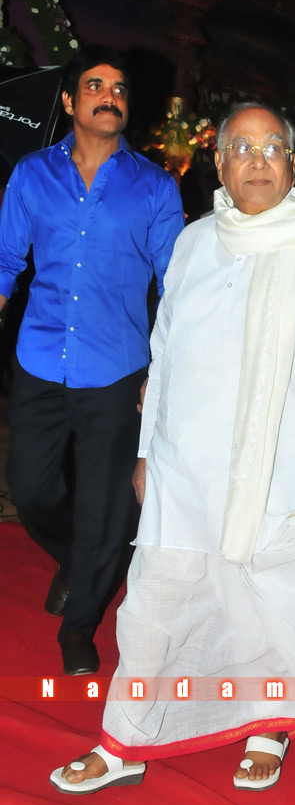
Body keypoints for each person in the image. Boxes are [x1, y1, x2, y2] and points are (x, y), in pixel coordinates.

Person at [50, 102, 295, 795]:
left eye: (272, 148)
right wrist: (147, 451)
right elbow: (164, 352)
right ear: (218, 163)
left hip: (288, 468)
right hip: (185, 465)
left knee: (273, 603)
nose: (257, 161)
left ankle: (269, 724)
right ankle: (124, 738)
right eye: (241, 148)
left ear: (292, 165)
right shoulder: (193, 244)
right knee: (154, 601)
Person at [0, 46, 185, 675]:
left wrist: (164, 370)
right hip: (39, 358)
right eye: (95, 85)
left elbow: (176, 288)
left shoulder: (156, 186)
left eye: (120, 88)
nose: (110, 96)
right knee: (31, 489)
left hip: (118, 371)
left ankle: (79, 624)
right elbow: (6, 262)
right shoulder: (31, 174)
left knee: (106, 508)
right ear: (69, 101)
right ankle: (78, 562)